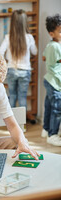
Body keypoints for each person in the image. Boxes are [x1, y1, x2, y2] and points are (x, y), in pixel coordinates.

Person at [0, 9, 37, 108]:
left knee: (12, 96)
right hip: (25, 71)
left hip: (11, 69)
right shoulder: (29, 37)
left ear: (13, 22)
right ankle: (22, 123)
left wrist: (6, 62)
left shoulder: (8, 37)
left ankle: (11, 123)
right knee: (22, 97)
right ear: (25, 22)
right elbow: (35, 52)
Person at [41, 14, 61, 146]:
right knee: (57, 109)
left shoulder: (50, 45)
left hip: (49, 80)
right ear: (52, 33)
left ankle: (45, 129)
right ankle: (52, 134)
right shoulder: (56, 47)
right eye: (60, 31)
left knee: (49, 107)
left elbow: (43, 58)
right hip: (55, 82)